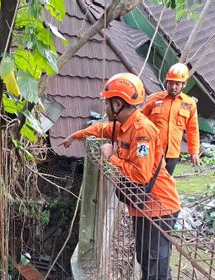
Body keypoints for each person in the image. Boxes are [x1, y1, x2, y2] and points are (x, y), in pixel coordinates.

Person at [59, 73, 180, 280]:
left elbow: (141, 175)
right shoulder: (125, 125)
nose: (105, 107)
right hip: (143, 206)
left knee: (154, 269)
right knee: (148, 262)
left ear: (117, 104)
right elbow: (103, 128)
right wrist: (76, 135)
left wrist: (111, 157)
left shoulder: (142, 131)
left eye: (107, 102)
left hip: (158, 208)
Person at [142, 63, 200, 175]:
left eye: (177, 84)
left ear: (184, 84)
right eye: (170, 83)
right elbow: (139, 119)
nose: (173, 87)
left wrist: (194, 152)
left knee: (165, 185)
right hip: (152, 151)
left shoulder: (189, 104)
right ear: (166, 82)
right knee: (147, 183)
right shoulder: (154, 99)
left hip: (172, 154)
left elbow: (192, 129)